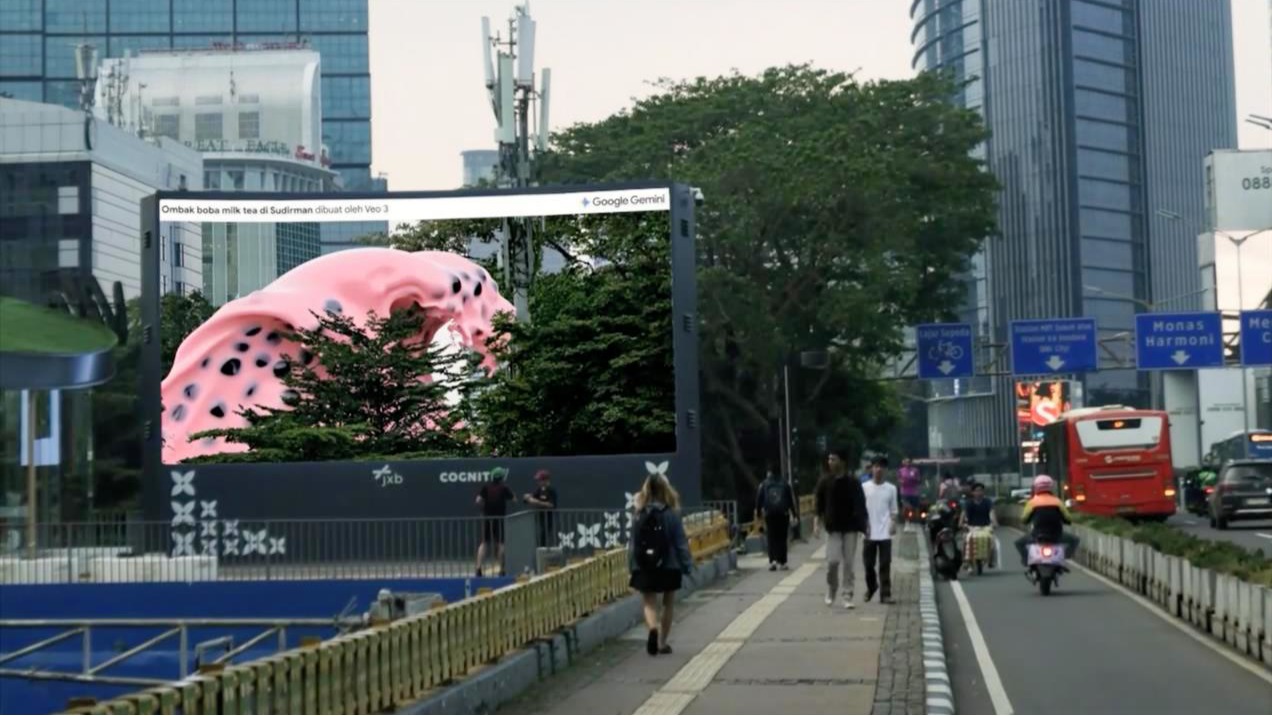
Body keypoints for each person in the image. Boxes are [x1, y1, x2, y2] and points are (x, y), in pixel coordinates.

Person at [629, 472, 693, 656]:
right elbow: (681, 543)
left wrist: (632, 567)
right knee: (668, 603)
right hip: (669, 565)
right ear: (666, 489)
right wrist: (688, 565)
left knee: (649, 602)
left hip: (644, 565)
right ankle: (662, 642)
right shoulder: (671, 514)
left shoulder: (638, 514)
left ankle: (652, 629)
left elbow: (633, 544)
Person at [814, 449, 868, 609]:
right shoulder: (825, 481)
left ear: (842, 462)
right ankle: (832, 588)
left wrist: (865, 526)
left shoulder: (853, 482)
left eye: (834, 459)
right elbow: (819, 504)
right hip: (833, 528)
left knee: (849, 563)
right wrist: (816, 523)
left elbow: (861, 504)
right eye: (829, 459)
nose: (830, 462)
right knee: (832, 562)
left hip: (850, 527)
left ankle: (847, 595)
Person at [1014, 475, 1080, 567]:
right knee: (1075, 540)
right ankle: (1064, 556)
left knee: (1019, 543)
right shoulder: (1057, 501)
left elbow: (1024, 519)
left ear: (1036, 487)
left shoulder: (1032, 503)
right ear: (1051, 487)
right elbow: (1068, 518)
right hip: (1057, 535)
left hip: (1037, 535)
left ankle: (1026, 561)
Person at [862, 457, 898, 604]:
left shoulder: (891, 489)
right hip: (869, 532)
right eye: (876, 466)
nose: (879, 469)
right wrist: (865, 524)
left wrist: (893, 522)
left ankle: (886, 593)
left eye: (882, 467)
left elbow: (894, 509)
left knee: (885, 564)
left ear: (886, 470)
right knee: (868, 565)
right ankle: (872, 587)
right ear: (872, 468)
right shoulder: (864, 487)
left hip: (885, 532)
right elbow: (860, 509)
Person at [475, 467, 516, 577]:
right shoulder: (504, 488)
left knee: (484, 543)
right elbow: (514, 499)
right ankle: (502, 569)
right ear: (502, 478)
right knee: (501, 544)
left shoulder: (486, 487)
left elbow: (478, 500)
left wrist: (483, 508)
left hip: (487, 518)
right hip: (500, 519)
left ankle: (478, 568)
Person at [755, 467, 798, 571]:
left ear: (769, 473)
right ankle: (782, 562)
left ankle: (773, 561)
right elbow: (790, 501)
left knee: (771, 537)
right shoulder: (785, 483)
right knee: (782, 538)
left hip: (770, 514)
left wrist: (758, 513)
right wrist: (794, 514)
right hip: (783, 514)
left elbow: (759, 500)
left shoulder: (764, 484)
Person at [960, 482, 997, 566]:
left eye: (981, 490)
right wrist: (961, 523)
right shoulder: (968, 503)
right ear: (972, 492)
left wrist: (994, 522)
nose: (979, 493)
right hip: (971, 527)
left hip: (985, 527)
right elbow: (964, 514)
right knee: (966, 540)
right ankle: (965, 561)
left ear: (983, 492)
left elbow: (992, 513)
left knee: (991, 541)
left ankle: (990, 560)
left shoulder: (988, 502)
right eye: (976, 491)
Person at [523, 469, 558, 548]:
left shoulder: (551, 490)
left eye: (540, 480)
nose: (538, 482)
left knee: (544, 538)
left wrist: (536, 502)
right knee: (539, 539)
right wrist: (527, 497)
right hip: (539, 519)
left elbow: (551, 505)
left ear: (546, 480)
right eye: (538, 480)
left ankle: (544, 557)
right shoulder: (540, 489)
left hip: (548, 519)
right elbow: (530, 498)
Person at [897, 458, 921, 530]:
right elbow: (899, 479)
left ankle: (914, 523)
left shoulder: (915, 470)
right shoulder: (901, 470)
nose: (908, 463)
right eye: (906, 462)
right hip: (904, 492)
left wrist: (914, 479)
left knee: (915, 508)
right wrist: (902, 482)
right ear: (904, 463)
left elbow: (919, 479)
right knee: (906, 508)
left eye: (909, 462)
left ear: (911, 463)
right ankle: (906, 522)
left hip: (914, 492)